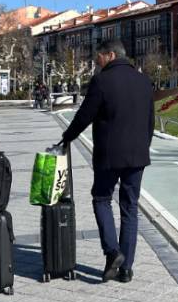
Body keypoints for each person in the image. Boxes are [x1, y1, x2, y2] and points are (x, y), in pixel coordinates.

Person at [60, 40, 154, 283]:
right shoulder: (144, 81)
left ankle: (112, 251)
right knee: (130, 207)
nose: (96, 61)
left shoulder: (101, 81)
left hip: (108, 155)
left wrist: (67, 137)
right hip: (137, 155)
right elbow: (150, 121)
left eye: (98, 57)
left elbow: (84, 116)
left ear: (110, 55)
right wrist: (143, 146)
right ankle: (126, 269)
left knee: (102, 199)